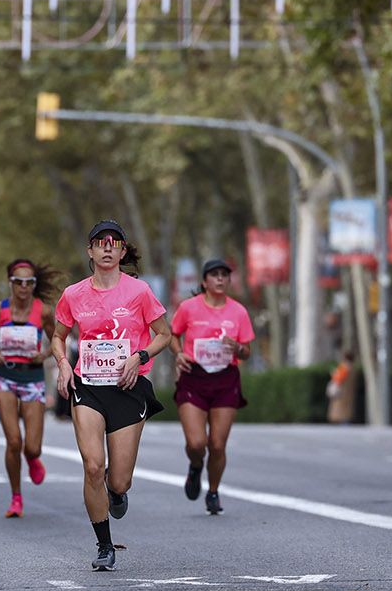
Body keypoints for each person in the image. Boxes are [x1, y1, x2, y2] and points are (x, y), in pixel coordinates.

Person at [52, 220, 173, 571]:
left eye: (114, 242)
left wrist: (141, 356)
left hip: (128, 388)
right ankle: (104, 545)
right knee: (93, 467)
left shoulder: (139, 292)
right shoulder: (74, 294)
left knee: (118, 479)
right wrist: (62, 364)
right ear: (90, 250)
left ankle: (117, 492)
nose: (107, 247)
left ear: (121, 251)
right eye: (100, 242)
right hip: (87, 386)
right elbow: (58, 335)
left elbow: (163, 334)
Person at [0, 258, 62, 518]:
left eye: (29, 282)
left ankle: (33, 458)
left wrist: (46, 354)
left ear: (34, 285)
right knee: (14, 441)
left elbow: (57, 338)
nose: (23, 287)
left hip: (33, 379)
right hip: (5, 377)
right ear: (10, 283)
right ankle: (16, 497)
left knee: (31, 447)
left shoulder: (43, 311)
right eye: (18, 282)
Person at [171, 258, 255, 515]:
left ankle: (213, 492)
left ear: (229, 280)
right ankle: (196, 466)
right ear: (205, 281)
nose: (220, 279)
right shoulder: (188, 308)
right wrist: (178, 353)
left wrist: (237, 348)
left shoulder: (238, 312)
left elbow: (247, 351)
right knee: (197, 443)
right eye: (214, 274)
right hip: (194, 377)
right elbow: (172, 334)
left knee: (217, 444)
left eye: (224, 275)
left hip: (225, 378)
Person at [327, 351, 356, 424]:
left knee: (341, 415)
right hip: (348, 394)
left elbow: (338, 379)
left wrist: (334, 373)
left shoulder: (344, 368)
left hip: (341, 394)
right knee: (346, 414)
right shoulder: (353, 368)